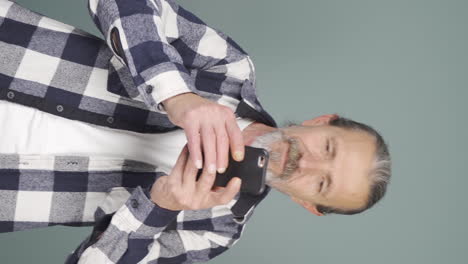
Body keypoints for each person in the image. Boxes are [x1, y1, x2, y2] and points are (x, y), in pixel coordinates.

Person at [0, 0, 392, 263]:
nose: (307, 163)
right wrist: (177, 94)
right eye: (328, 147)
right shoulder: (228, 71)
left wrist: (159, 208)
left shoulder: (212, 230)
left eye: (322, 184)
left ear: (308, 204)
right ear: (321, 121)